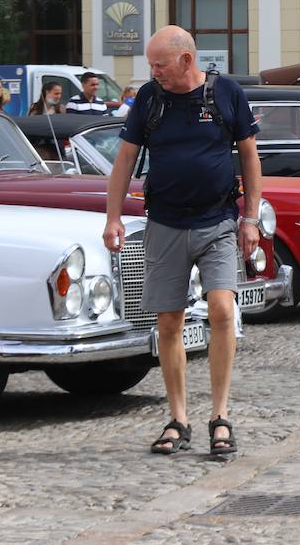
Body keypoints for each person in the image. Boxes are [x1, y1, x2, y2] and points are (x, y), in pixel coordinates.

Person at [103, 27, 262, 457]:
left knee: (222, 309)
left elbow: (249, 156)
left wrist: (250, 218)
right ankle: (178, 418)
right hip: (166, 225)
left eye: (160, 65)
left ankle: (220, 415)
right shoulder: (151, 100)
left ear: (187, 60)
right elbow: (124, 160)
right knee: (169, 322)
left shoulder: (226, 94)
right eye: (151, 65)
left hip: (218, 223)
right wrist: (113, 216)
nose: (153, 73)